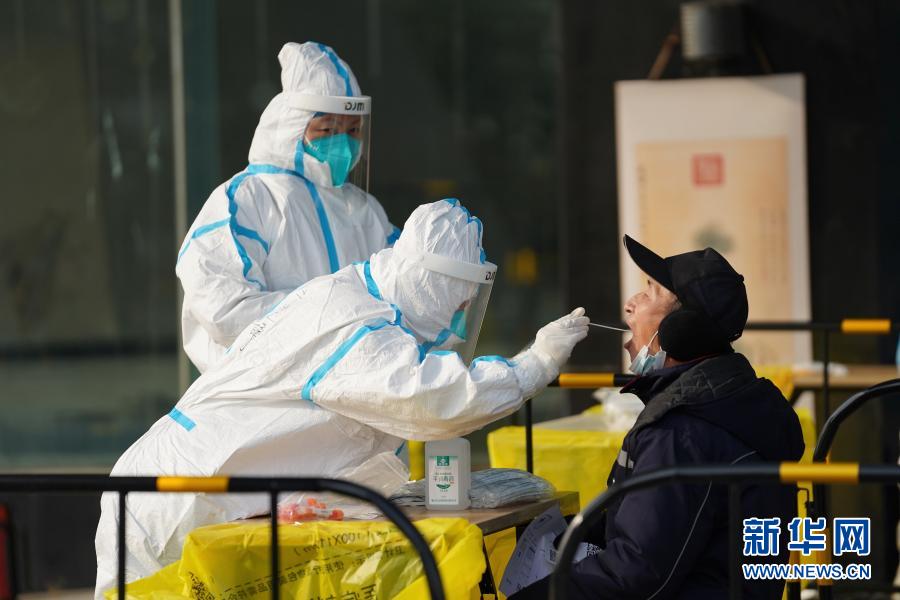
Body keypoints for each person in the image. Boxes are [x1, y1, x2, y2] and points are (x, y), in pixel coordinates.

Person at [94, 199, 589, 595]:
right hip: (180, 497)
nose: (460, 314)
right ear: (431, 283)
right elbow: (432, 402)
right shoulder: (353, 321)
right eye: (457, 298)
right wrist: (536, 364)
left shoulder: (362, 303)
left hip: (206, 496)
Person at [512, 236, 805, 600]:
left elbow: (633, 574)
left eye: (649, 293)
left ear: (683, 329)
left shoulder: (681, 432)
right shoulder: (728, 401)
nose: (630, 304)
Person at [177, 41, 399, 373]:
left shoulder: (365, 211)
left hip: (352, 389)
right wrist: (335, 318)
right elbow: (223, 309)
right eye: (328, 129)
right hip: (263, 394)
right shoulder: (246, 200)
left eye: (353, 130)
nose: (344, 142)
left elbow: (403, 289)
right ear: (294, 126)